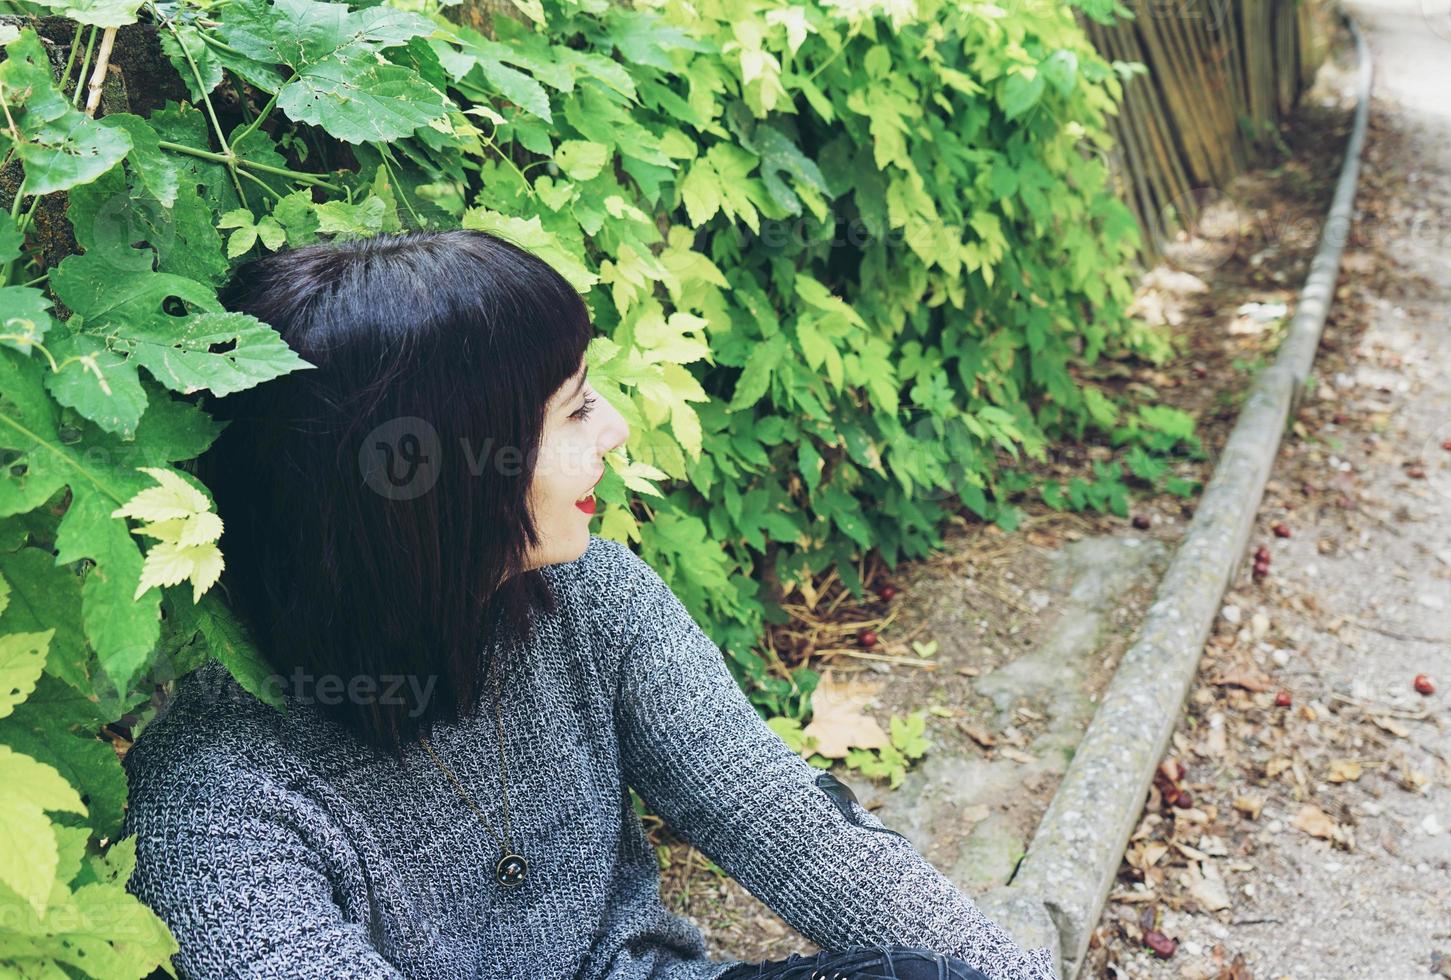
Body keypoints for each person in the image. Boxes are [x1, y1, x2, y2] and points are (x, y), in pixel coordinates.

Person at [120, 229, 1058, 980]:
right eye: (573, 410)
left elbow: (792, 828)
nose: (614, 427)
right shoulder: (220, 795)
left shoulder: (585, 597)